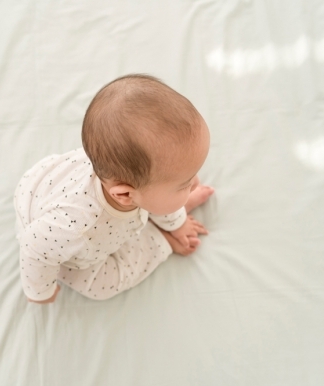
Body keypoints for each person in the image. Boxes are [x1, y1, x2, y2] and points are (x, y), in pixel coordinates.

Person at [13, 74, 214, 304]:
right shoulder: (73, 225)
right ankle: (162, 241)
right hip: (45, 218)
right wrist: (39, 293)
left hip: (49, 180)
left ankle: (173, 211)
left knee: (155, 193)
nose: (196, 182)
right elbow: (33, 248)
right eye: (185, 184)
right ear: (126, 195)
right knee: (101, 285)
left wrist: (178, 223)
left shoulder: (121, 173)